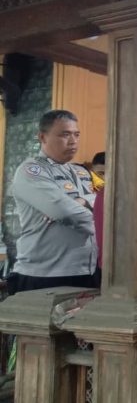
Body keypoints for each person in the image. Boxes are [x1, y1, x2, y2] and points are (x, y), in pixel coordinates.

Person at [9, 110, 97, 293]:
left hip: (87, 270)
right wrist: (104, 225)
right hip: (45, 273)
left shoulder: (82, 172)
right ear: (42, 137)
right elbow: (65, 212)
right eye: (65, 135)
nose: (73, 141)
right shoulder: (32, 171)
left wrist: (83, 200)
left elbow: (108, 197)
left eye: (76, 135)